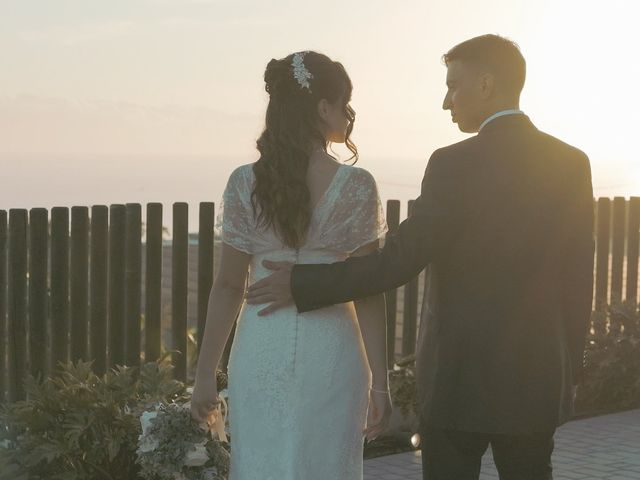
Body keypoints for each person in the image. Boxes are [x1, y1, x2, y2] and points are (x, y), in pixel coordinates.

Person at [247, 35, 595, 480]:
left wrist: (302, 283)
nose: (446, 102)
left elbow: (397, 261)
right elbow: (578, 274)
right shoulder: (571, 163)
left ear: (487, 84)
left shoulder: (453, 165)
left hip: (456, 379)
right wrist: (570, 367)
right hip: (537, 377)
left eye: (454, 85)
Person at [190, 50, 392, 480]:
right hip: (334, 352)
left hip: (261, 346)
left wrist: (205, 373)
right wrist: (381, 382)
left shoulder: (244, 182)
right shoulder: (357, 186)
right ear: (323, 107)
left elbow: (227, 286)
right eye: (344, 102)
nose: (349, 113)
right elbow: (368, 288)